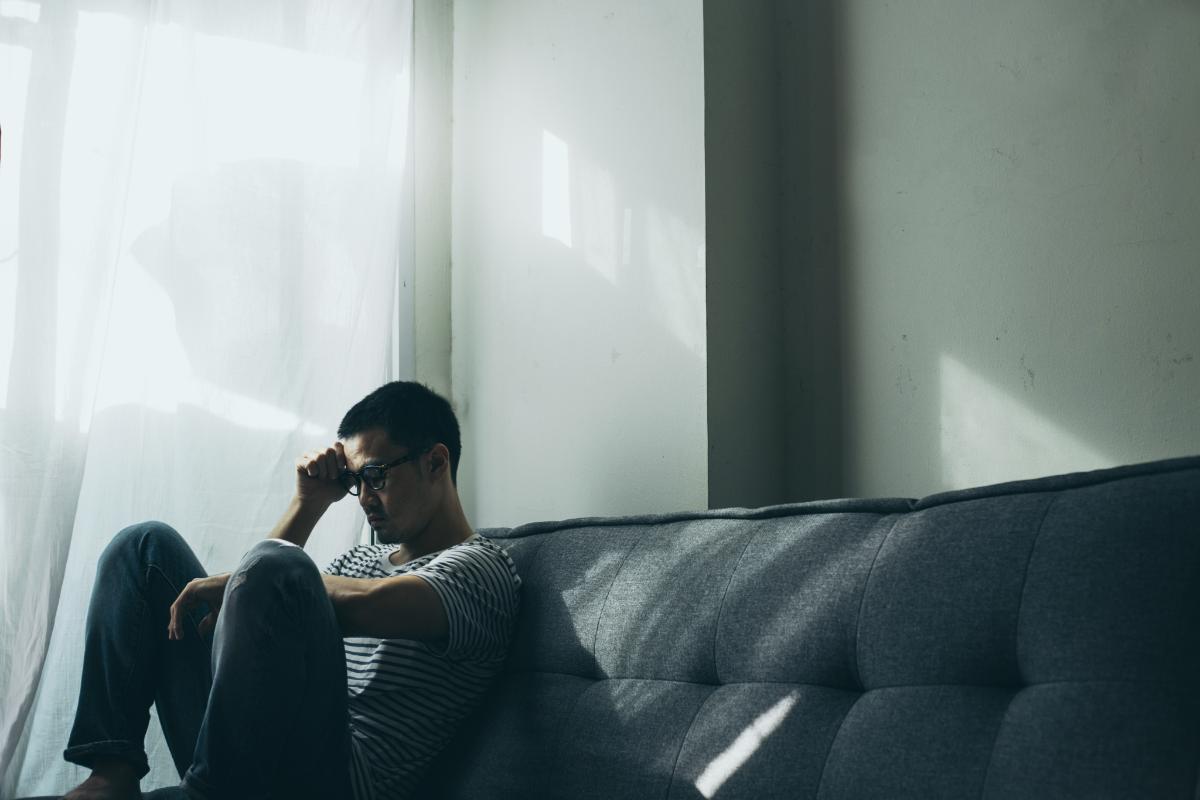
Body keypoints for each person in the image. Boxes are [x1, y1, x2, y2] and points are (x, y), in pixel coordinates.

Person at [52, 381, 522, 800]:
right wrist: (308, 503)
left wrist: (261, 577)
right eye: (355, 481)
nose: (364, 498)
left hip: (335, 780)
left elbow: (337, 597)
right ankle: (113, 771)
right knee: (145, 547)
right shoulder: (358, 561)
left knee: (279, 567)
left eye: (375, 476)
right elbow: (249, 616)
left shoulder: (481, 568)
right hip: (252, 753)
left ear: (435, 462)